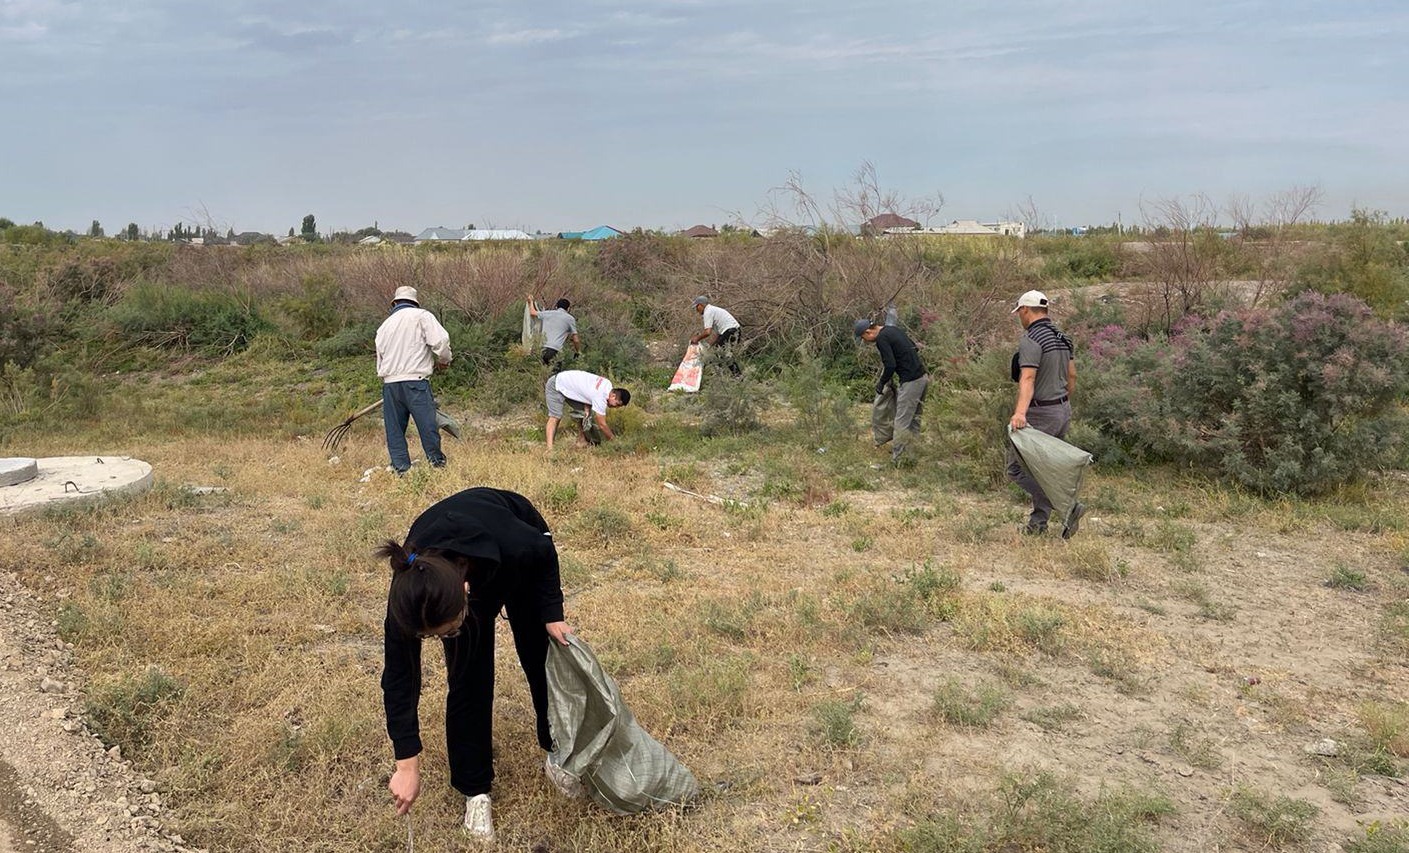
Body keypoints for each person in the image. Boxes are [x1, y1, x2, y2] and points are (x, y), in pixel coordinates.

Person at [379, 487, 574, 841]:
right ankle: (475, 790)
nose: (444, 639)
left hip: (513, 559)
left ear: (466, 592)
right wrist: (406, 762)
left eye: (450, 630)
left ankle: (556, 750)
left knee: (539, 658)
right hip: (457, 578)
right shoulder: (410, 598)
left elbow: (543, 550)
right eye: (435, 636)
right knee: (468, 680)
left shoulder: (516, 542)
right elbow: (398, 678)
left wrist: (551, 612)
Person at [1007, 290, 1081, 536]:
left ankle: (1067, 507)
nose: (1019, 316)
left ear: (1025, 310)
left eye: (1019, 312)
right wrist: (1062, 402)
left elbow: (1027, 377)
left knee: (1015, 469)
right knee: (1045, 470)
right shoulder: (1062, 337)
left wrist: (1020, 413)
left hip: (1040, 413)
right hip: (1061, 409)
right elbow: (1072, 376)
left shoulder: (1032, 338)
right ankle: (1037, 525)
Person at [375, 286, 452, 474]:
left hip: (390, 384)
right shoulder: (421, 316)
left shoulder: (384, 325)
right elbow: (440, 342)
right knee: (427, 425)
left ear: (394, 303)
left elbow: (381, 356)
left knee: (394, 429)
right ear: (415, 302)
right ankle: (436, 463)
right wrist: (444, 361)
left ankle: (401, 468)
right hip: (416, 381)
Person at [855, 319, 930, 463]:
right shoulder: (892, 329)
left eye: (863, 338)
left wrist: (882, 382)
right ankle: (912, 454)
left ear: (868, 332)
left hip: (911, 382)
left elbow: (890, 364)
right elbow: (915, 347)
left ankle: (899, 460)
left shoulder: (881, 338)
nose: (865, 342)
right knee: (914, 419)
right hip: (923, 378)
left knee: (901, 421)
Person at [543, 369, 630, 450]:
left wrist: (587, 408)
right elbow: (602, 425)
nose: (616, 407)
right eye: (617, 404)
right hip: (556, 384)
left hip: (569, 385)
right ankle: (550, 450)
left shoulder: (607, 384)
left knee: (584, 413)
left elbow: (588, 390)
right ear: (613, 396)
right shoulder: (601, 397)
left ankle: (582, 441)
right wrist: (614, 442)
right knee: (555, 417)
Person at [689, 296, 742, 375]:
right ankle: (733, 376)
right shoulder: (713, 310)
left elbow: (707, 332)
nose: (696, 310)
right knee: (723, 354)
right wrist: (709, 346)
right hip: (734, 331)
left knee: (721, 354)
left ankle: (727, 376)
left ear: (701, 305)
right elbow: (718, 334)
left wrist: (696, 338)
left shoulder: (708, 312)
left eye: (697, 307)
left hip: (730, 331)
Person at [526, 295, 581, 370]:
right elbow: (576, 340)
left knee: (539, 374)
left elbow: (532, 312)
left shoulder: (547, 313)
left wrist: (531, 302)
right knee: (554, 377)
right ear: (568, 309)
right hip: (555, 351)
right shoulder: (570, 319)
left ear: (556, 307)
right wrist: (577, 351)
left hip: (541, 349)